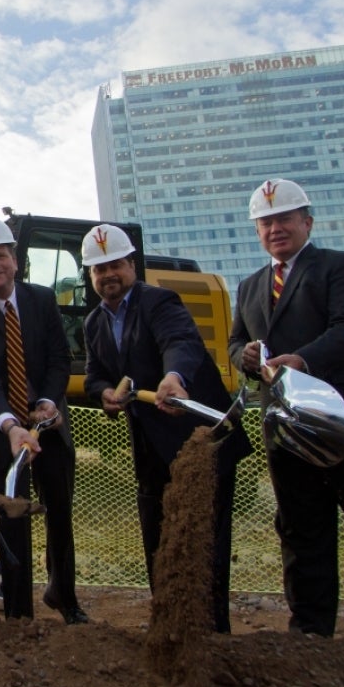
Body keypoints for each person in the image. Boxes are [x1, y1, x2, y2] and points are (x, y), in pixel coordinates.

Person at [228, 178, 344, 643]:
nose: (275, 228)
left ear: (307, 222)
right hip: (289, 432)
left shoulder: (343, 267)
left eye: (284, 219)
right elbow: (235, 341)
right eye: (265, 222)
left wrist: (303, 361)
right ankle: (310, 631)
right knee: (302, 531)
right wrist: (244, 358)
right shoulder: (250, 287)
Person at [81, 224, 252, 633]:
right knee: (158, 536)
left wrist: (174, 377)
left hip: (198, 440)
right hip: (150, 449)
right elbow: (94, 377)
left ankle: (210, 634)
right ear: (90, 275)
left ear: (132, 265)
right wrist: (105, 393)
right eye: (99, 268)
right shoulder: (94, 323)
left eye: (116, 265)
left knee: (203, 539)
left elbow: (181, 341)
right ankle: (171, 626)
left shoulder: (159, 302)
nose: (109, 275)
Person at [0, 217, 86, 624]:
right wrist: (13, 427)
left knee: (59, 514)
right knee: (12, 520)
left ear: (15, 260)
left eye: (0, 256)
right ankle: (17, 611)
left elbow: (59, 359)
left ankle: (64, 596)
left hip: (49, 426)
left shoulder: (41, 300)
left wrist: (47, 402)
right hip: (2, 433)